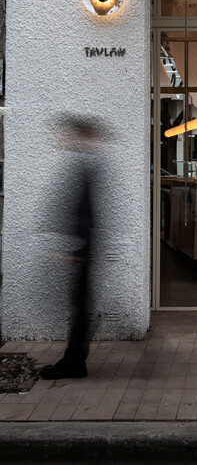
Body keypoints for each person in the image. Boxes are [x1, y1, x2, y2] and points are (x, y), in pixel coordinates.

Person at [40, 118, 100, 380]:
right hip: (83, 247)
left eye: (69, 134)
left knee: (81, 306)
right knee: (80, 305)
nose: (63, 138)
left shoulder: (85, 164)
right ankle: (74, 360)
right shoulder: (85, 163)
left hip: (83, 248)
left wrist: (78, 250)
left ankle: (74, 363)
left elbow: (85, 212)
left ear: (80, 135)